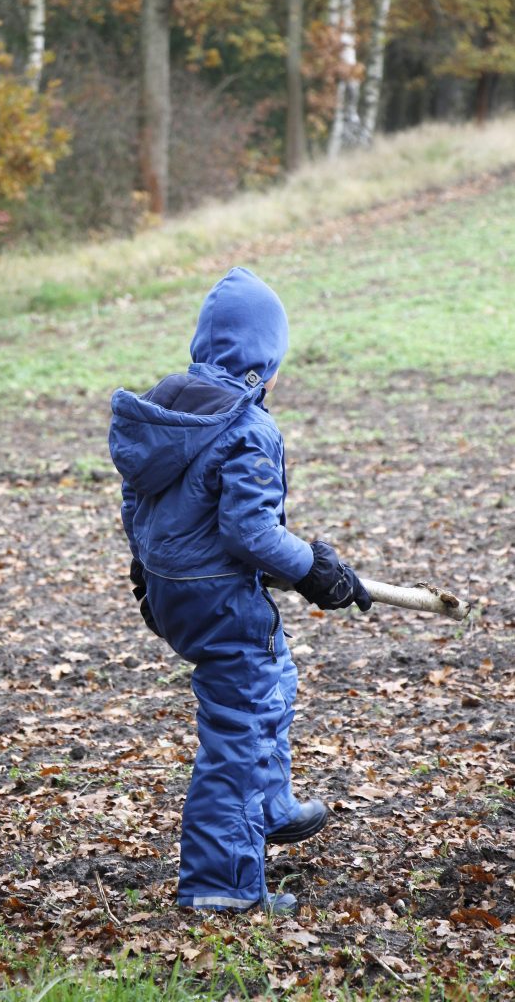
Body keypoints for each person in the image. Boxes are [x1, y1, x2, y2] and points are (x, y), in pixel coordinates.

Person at [109, 267, 371, 915]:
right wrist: (313, 568)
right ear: (264, 360)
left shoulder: (167, 411)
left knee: (272, 679)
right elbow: (250, 532)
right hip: (220, 600)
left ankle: (271, 804)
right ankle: (219, 888)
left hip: (175, 592)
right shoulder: (250, 428)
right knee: (240, 729)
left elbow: (137, 501)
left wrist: (147, 571)